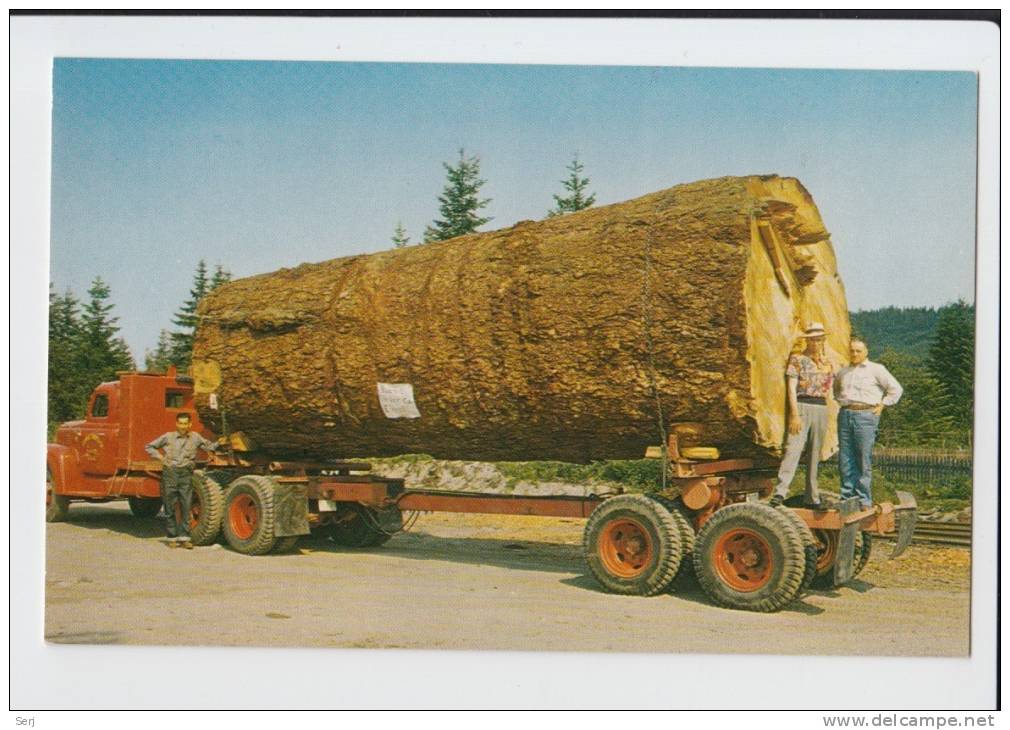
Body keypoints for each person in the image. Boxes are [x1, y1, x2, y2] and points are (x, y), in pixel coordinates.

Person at [769, 322, 834, 509]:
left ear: (823, 341)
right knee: (793, 449)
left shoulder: (828, 363)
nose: (816, 343)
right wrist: (795, 414)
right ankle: (780, 492)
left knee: (815, 454)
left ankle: (812, 498)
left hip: (821, 407)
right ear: (808, 341)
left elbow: (830, 390)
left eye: (819, 340)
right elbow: (791, 388)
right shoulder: (797, 360)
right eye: (813, 340)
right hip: (803, 405)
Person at [833, 338, 903, 509]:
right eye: (852, 351)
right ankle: (847, 497)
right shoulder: (843, 372)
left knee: (863, 457)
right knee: (845, 458)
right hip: (846, 414)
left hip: (866, 415)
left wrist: (882, 405)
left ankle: (864, 499)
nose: (855, 354)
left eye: (858, 351)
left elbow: (896, 389)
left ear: (866, 352)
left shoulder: (876, 369)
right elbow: (836, 390)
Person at [145, 413, 219, 549]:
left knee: (186, 504)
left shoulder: (195, 437)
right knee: (170, 505)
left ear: (189, 424)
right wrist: (161, 458)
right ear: (176, 424)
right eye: (180, 423)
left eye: (185, 423)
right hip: (171, 473)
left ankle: (185, 538)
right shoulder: (168, 437)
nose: (183, 426)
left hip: (186, 473)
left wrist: (222, 441)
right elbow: (149, 447)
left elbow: (210, 447)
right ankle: (172, 537)